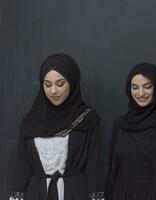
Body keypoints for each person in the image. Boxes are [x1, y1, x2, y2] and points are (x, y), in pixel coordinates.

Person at [9, 53, 105, 200]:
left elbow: (94, 168)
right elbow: (22, 168)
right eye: (47, 85)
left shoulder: (86, 119)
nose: (53, 91)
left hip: (75, 193)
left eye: (60, 84)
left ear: (72, 83)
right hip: (37, 194)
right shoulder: (31, 121)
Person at [105, 63, 156, 200]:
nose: (140, 93)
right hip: (121, 194)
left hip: (154, 195)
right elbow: (113, 170)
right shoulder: (120, 125)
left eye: (147, 87)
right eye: (135, 87)